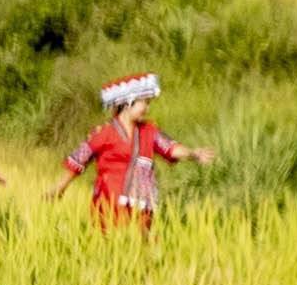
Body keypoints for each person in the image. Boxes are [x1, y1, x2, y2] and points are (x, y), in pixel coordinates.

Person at [59, 71, 204, 232]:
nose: (147, 109)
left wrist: (193, 154)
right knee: (110, 245)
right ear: (128, 103)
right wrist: (60, 187)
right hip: (109, 202)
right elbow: (79, 159)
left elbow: (170, 148)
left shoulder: (149, 131)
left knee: (143, 247)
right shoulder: (104, 133)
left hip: (141, 204)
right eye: (145, 103)